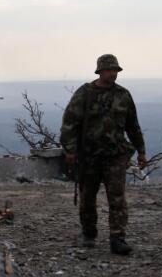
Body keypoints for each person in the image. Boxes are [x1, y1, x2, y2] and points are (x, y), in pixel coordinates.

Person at [60, 54, 147, 255]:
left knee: (117, 198)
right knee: (87, 198)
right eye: (109, 70)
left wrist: (141, 151)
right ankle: (89, 233)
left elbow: (133, 126)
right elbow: (69, 123)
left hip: (115, 156)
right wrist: (70, 150)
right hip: (89, 156)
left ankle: (118, 239)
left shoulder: (123, 95)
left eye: (115, 70)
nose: (113, 73)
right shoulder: (85, 93)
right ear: (100, 71)